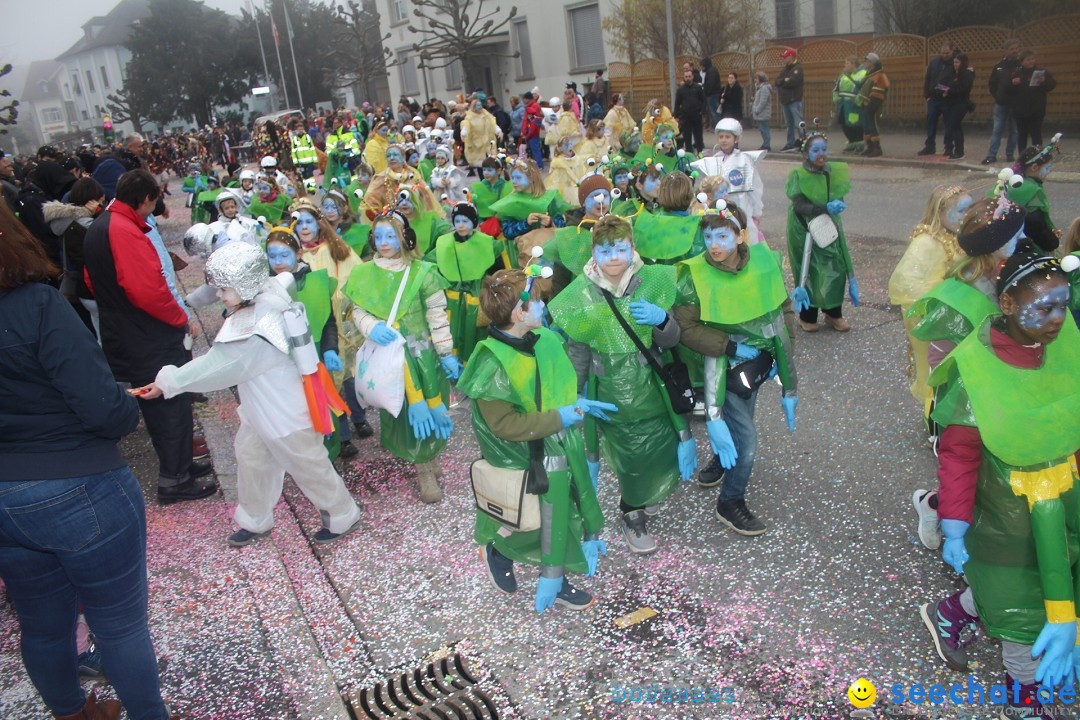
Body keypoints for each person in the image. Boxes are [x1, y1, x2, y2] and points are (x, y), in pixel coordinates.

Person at [0, 201, 177, 720]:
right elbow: (104, 410)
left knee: (42, 624)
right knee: (119, 624)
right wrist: (124, 401)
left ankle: (74, 713)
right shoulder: (35, 305)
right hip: (77, 484)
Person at [921, 248, 1080, 718]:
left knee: (1048, 582)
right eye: (1044, 307)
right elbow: (959, 454)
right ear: (1007, 305)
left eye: (1063, 304)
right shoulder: (977, 370)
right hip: (1004, 521)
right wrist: (953, 521)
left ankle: (952, 611)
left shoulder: (1064, 345)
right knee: (1021, 611)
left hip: (1062, 507)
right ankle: (1027, 701)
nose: (1057, 318)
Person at [139, 241, 363, 546]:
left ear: (246, 285)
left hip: (285, 413)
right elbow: (281, 280)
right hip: (262, 408)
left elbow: (218, 366)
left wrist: (169, 382)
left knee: (309, 466)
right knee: (252, 461)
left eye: (224, 289)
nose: (219, 295)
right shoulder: (264, 293)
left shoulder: (255, 325)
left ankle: (342, 514)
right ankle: (256, 519)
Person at [458, 269, 609, 613]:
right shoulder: (491, 363)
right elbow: (504, 425)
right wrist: (560, 418)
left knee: (554, 511)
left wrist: (575, 407)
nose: (544, 306)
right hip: (523, 453)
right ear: (519, 313)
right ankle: (515, 557)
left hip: (554, 442)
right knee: (539, 515)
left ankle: (523, 559)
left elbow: (555, 385)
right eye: (538, 301)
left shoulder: (543, 339)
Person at [548, 214, 695, 553]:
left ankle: (650, 489)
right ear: (593, 254)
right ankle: (632, 511)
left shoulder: (651, 281)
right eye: (604, 251)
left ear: (632, 248)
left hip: (652, 384)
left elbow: (671, 340)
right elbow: (579, 350)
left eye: (620, 249)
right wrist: (576, 392)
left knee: (658, 443)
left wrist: (662, 321)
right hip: (611, 387)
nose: (613, 258)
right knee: (630, 451)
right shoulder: (581, 295)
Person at [83, 170, 217, 504]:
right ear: (144, 199)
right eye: (153, 202)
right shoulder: (124, 230)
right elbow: (147, 290)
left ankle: (180, 465)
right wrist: (179, 318)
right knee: (169, 401)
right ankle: (175, 479)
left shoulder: (100, 225)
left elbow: (89, 279)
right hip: (147, 333)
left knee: (159, 402)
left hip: (123, 330)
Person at [673, 202, 797, 535]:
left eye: (723, 236)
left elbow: (782, 311)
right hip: (718, 367)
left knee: (740, 421)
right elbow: (684, 328)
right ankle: (730, 502)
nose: (714, 245)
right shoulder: (693, 274)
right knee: (747, 443)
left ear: (741, 236)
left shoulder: (763, 263)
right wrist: (730, 347)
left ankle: (718, 458)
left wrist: (780, 361)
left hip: (754, 366)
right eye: (709, 236)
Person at [342, 212, 460, 503]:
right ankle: (423, 468)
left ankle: (432, 454)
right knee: (408, 410)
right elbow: (357, 311)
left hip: (424, 355)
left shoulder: (423, 271)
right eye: (379, 236)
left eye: (391, 236)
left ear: (404, 236)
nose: (384, 243)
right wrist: (371, 326)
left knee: (435, 405)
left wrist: (446, 351)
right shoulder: (363, 273)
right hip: (393, 359)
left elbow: (436, 313)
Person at [888, 185, 972, 406]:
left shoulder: (955, 235)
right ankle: (935, 420)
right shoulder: (927, 242)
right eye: (962, 210)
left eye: (969, 209)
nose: (967, 216)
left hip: (957, 315)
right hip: (938, 320)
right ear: (940, 212)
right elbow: (907, 283)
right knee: (938, 371)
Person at [785, 128, 858, 333]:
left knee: (835, 265)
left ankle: (833, 314)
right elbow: (800, 205)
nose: (821, 154)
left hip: (829, 224)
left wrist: (836, 204)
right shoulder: (798, 175)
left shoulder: (832, 171)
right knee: (810, 269)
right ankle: (808, 316)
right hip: (804, 226)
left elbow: (837, 195)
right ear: (805, 153)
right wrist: (823, 208)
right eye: (816, 150)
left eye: (824, 149)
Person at [425, 201, 504, 363]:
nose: (461, 225)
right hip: (452, 297)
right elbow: (429, 263)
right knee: (453, 327)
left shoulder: (485, 242)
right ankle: (453, 358)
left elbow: (499, 257)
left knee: (474, 329)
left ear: (473, 223)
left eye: (465, 221)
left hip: (476, 295)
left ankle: (474, 359)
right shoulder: (444, 243)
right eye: (457, 221)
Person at [690, 119, 766, 246]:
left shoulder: (745, 161)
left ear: (736, 139)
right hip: (719, 211)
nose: (724, 140)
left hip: (742, 207)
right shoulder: (713, 161)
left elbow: (756, 188)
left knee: (746, 241)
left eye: (727, 137)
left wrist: (757, 213)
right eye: (721, 137)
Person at [1007, 140, 1063, 253]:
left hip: (1009, 245)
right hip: (1031, 248)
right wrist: (1052, 240)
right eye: (1047, 168)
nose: (1048, 172)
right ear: (1034, 167)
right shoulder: (1033, 191)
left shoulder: (1010, 182)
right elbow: (1036, 224)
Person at [982, 38, 1022, 166]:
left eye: (1016, 49)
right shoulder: (999, 66)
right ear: (1006, 51)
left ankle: (1010, 154)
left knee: (1014, 131)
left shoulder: (1021, 65)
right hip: (1001, 103)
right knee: (997, 129)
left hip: (1016, 103)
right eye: (1012, 49)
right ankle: (991, 155)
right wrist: (997, 96)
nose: (1014, 51)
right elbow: (992, 83)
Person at [1013, 49, 1056, 153]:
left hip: (1037, 108)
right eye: (1028, 60)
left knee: (1036, 133)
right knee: (1022, 134)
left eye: (1032, 59)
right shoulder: (1017, 72)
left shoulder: (1042, 72)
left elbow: (1052, 85)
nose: (1031, 61)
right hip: (1020, 109)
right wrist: (1013, 83)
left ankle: (1037, 155)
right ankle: (1022, 156)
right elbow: (1008, 89)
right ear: (1022, 61)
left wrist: (1044, 81)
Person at [919, 41, 956, 156]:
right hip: (933, 98)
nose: (945, 55)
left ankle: (948, 147)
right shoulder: (934, 63)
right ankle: (930, 146)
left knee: (948, 123)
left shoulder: (955, 64)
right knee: (931, 122)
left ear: (952, 51)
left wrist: (949, 91)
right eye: (943, 53)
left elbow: (957, 81)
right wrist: (927, 95)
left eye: (947, 53)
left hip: (947, 98)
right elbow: (928, 78)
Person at [941, 53, 975, 161]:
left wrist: (949, 91)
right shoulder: (956, 74)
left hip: (961, 104)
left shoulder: (967, 74)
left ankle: (959, 151)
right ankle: (959, 151)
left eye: (957, 62)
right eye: (954, 62)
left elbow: (963, 89)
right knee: (955, 127)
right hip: (954, 103)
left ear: (962, 63)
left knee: (954, 126)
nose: (954, 64)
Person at [856, 53, 889, 157]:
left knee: (872, 125)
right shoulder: (870, 74)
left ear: (872, 63)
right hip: (866, 105)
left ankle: (877, 148)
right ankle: (870, 147)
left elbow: (879, 92)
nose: (865, 63)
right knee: (866, 125)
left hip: (873, 105)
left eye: (867, 61)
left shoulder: (880, 75)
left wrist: (870, 106)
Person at [833, 56, 866, 154]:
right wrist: (836, 98)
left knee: (856, 125)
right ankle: (851, 144)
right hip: (843, 105)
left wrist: (859, 100)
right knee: (845, 124)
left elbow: (865, 88)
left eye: (847, 63)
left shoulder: (863, 74)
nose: (845, 65)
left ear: (853, 63)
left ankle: (859, 144)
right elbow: (837, 87)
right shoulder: (843, 75)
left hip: (854, 105)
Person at [461, 94, 502, 172]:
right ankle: (483, 180)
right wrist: (464, 133)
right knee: (480, 165)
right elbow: (466, 125)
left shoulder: (486, 115)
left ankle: (492, 178)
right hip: (477, 144)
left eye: (480, 105)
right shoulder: (470, 117)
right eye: (477, 105)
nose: (480, 107)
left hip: (489, 143)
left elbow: (493, 123)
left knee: (491, 162)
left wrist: (498, 131)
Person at [775, 49, 804, 152]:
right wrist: (784, 80)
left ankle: (804, 142)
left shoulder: (797, 68)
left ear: (791, 57)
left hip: (794, 100)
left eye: (785, 57)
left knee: (799, 123)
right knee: (789, 124)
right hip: (786, 100)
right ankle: (790, 143)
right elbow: (777, 81)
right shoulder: (785, 69)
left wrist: (784, 81)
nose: (784, 59)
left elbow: (792, 82)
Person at [674, 68, 706, 155]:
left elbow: (703, 100)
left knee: (698, 135)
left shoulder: (698, 88)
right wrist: (675, 115)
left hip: (696, 115)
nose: (688, 78)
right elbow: (677, 103)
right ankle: (689, 153)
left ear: (692, 77)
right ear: (684, 77)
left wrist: (702, 111)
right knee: (687, 136)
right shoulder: (681, 89)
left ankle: (700, 152)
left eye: (689, 76)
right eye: (686, 77)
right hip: (685, 116)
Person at [520, 92, 545, 169]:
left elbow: (532, 122)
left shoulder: (531, 108)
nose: (523, 100)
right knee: (533, 150)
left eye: (524, 98)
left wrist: (527, 133)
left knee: (535, 150)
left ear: (527, 99)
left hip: (531, 133)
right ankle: (537, 165)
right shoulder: (532, 107)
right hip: (531, 132)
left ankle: (539, 165)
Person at [751, 72, 773, 151]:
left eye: (756, 78)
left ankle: (767, 145)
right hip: (760, 113)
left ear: (760, 79)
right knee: (763, 130)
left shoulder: (764, 88)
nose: (755, 80)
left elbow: (763, 101)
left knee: (764, 129)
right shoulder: (760, 87)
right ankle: (765, 144)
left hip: (762, 113)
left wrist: (757, 110)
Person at [701, 58, 722, 124]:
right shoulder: (712, 70)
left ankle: (719, 125)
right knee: (717, 111)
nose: (701, 68)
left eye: (702, 66)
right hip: (715, 93)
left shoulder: (710, 72)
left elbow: (710, 84)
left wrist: (706, 92)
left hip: (712, 95)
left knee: (715, 112)